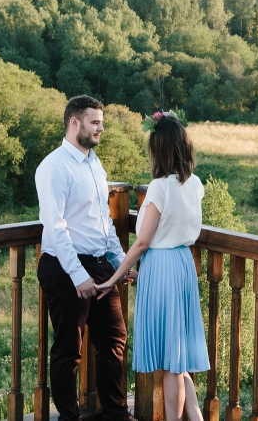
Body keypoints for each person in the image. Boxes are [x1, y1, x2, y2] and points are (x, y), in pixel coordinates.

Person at [95, 110, 209, 421]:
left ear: (159, 149)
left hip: (162, 265)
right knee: (179, 357)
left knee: (171, 364)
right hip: (181, 265)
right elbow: (173, 233)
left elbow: (143, 242)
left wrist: (114, 278)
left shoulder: (160, 187)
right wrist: (142, 273)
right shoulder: (195, 183)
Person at [36, 95, 135, 421]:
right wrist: (78, 274)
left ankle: (116, 415)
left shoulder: (94, 163)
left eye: (101, 122)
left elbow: (104, 221)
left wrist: (121, 263)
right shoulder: (53, 166)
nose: (101, 128)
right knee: (68, 351)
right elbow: (56, 227)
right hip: (65, 269)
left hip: (100, 266)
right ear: (74, 122)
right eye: (95, 122)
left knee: (115, 342)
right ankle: (69, 418)